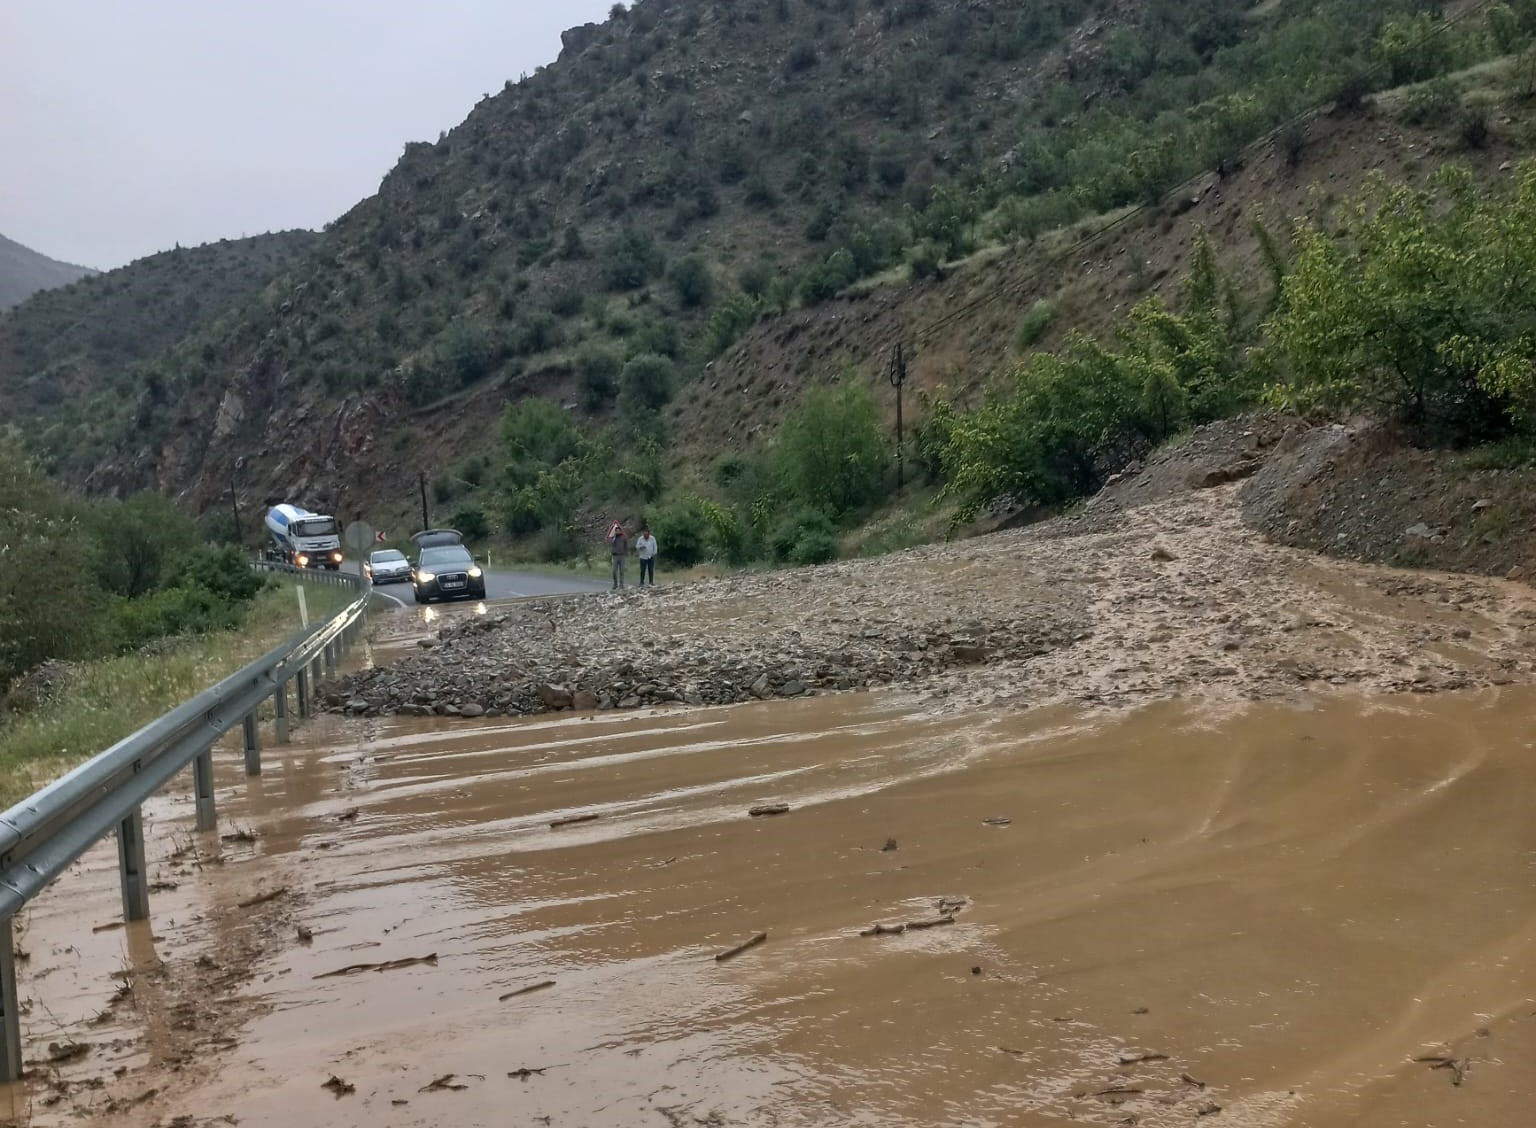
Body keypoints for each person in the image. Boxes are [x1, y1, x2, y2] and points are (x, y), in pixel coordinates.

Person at [606, 521, 628, 590]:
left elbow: (626, 546)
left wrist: (626, 553)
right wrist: (613, 536)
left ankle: (621, 584)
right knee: (614, 571)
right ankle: (615, 584)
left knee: (621, 571)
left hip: (621, 556)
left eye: (619, 530)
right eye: (616, 531)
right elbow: (607, 540)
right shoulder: (613, 538)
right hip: (615, 556)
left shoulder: (623, 538)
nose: (618, 532)